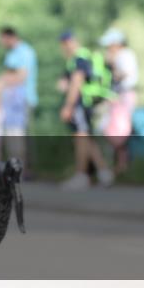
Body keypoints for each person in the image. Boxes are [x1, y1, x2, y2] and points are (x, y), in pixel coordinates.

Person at [57, 30, 114, 189]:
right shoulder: (82, 56)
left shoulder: (79, 58)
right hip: (87, 102)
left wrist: (68, 106)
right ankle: (104, 172)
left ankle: (82, 176)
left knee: (80, 137)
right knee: (86, 138)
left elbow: (77, 82)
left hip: (80, 103)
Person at [0, 27, 38, 176]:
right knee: (12, 136)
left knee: (19, 136)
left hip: (22, 99)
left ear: (10, 37)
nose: (1, 43)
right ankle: (16, 169)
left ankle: (23, 170)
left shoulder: (25, 52)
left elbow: (21, 76)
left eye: (2, 39)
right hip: (10, 101)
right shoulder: (12, 53)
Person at [99, 28, 137, 174]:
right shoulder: (124, 55)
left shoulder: (125, 55)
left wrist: (112, 64)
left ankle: (121, 166)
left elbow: (123, 74)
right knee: (114, 130)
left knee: (118, 132)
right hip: (120, 97)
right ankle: (119, 165)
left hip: (123, 97)